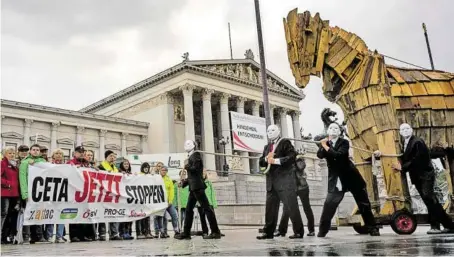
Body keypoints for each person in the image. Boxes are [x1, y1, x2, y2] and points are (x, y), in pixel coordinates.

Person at [317, 123, 379, 237]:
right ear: (328, 131)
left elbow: (339, 155)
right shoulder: (326, 143)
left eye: (336, 128)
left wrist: (325, 146)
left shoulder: (344, 142)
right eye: (331, 128)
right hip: (336, 180)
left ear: (340, 132)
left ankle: (373, 228)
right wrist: (323, 145)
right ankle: (322, 231)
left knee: (364, 204)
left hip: (351, 177)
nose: (333, 129)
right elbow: (320, 155)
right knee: (329, 205)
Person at [390, 123, 454, 234]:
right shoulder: (405, 143)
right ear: (400, 132)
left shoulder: (417, 142)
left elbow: (418, 159)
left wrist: (403, 167)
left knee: (429, 198)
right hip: (418, 176)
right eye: (402, 129)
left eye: (407, 128)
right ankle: (440, 225)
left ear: (412, 130)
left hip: (425, 175)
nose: (405, 131)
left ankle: (447, 224)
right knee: (429, 200)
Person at [257, 125, 305, 240]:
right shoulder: (267, 147)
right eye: (268, 130)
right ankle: (268, 232)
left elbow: (292, 157)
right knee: (270, 208)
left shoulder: (285, 143)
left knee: (291, 206)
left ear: (278, 131)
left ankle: (298, 232)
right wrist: (265, 159)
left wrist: (275, 160)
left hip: (285, 181)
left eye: (272, 130)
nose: (270, 132)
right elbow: (261, 161)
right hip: (271, 183)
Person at [175, 140, 222, 240]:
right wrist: (184, 183)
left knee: (207, 208)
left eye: (188, 144)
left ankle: (215, 231)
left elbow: (196, 170)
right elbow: (192, 176)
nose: (186, 145)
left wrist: (187, 167)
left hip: (198, 187)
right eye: (185, 144)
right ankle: (186, 233)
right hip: (194, 187)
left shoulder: (196, 155)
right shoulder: (191, 156)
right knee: (189, 210)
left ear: (193, 145)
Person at [275, 154, 315, 237]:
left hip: (302, 188)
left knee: (306, 208)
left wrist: (294, 161)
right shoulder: (286, 162)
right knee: (286, 208)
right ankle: (282, 230)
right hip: (292, 189)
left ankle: (311, 230)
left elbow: (301, 167)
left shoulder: (298, 160)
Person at [19, 144, 47, 244]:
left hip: (40, 193)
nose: (35, 151)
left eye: (37, 150)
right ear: (30, 151)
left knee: (39, 214)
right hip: (30, 192)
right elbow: (22, 179)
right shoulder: (25, 162)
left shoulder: (43, 162)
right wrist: (25, 193)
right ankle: (26, 235)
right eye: (34, 150)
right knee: (28, 214)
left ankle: (39, 236)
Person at [67, 146, 93, 243]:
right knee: (74, 213)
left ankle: (84, 235)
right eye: (79, 152)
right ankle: (74, 235)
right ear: (75, 153)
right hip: (74, 192)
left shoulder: (87, 164)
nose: (81, 153)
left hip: (85, 192)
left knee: (84, 214)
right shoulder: (71, 162)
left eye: (83, 152)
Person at [97, 150, 121, 241]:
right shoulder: (101, 167)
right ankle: (102, 234)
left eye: (114, 156)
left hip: (113, 194)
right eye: (111, 156)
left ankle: (114, 233)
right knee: (102, 213)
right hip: (103, 193)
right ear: (106, 157)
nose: (113, 158)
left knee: (114, 213)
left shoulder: (115, 168)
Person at [45, 149, 66, 243]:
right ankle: (48, 235)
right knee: (51, 215)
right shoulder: (48, 165)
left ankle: (59, 236)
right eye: (56, 153)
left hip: (62, 193)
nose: (58, 155)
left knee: (61, 215)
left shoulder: (66, 166)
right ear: (53, 155)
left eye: (60, 154)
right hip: (51, 192)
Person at [1, 147, 20, 244]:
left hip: (14, 194)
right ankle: (1, 236)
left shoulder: (15, 165)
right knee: (3, 214)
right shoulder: (2, 163)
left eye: (13, 153)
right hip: (5, 193)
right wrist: (8, 184)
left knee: (11, 216)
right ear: (5, 154)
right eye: (9, 153)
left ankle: (6, 236)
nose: (12, 155)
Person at [155, 166, 180, 238]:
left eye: (165, 170)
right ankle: (162, 231)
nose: (164, 171)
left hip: (168, 202)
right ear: (160, 171)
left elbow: (171, 191)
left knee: (174, 215)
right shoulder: (156, 178)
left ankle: (176, 230)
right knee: (161, 217)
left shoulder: (169, 179)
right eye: (162, 170)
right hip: (159, 202)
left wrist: (170, 201)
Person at [196, 169, 218, 237]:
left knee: (212, 218)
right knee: (203, 219)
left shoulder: (209, 182)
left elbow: (212, 194)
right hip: (201, 204)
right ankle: (205, 232)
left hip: (209, 203)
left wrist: (214, 203)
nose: (203, 174)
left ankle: (215, 231)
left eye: (204, 173)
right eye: (201, 173)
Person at [136, 162, 154, 239]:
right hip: (139, 199)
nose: (146, 168)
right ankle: (139, 232)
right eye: (145, 167)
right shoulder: (139, 175)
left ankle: (147, 231)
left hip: (147, 199)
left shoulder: (149, 176)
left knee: (147, 216)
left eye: (148, 167)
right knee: (140, 217)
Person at [119, 159, 134, 240]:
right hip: (122, 198)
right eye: (125, 163)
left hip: (129, 198)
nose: (126, 165)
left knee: (130, 216)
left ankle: (129, 232)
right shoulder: (119, 172)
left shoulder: (130, 174)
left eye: (127, 164)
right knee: (124, 216)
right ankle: (122, 232)